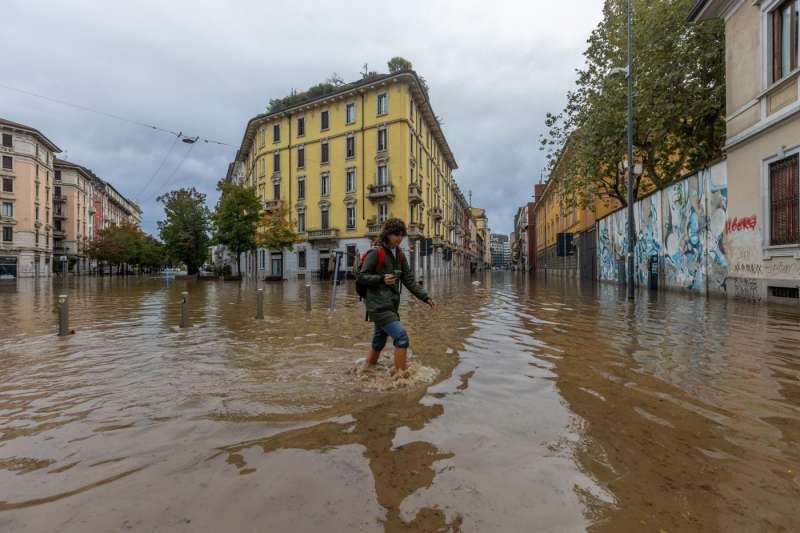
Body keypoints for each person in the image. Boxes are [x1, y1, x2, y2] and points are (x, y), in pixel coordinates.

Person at [358, 218, 436, 371]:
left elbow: (409, 280)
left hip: (391, 305)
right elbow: (361, 276)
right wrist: (381, 278)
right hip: (377, 305)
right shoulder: (376, 252)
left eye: (402, 235)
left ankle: (366, 370)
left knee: (378, 343)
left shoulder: (400, 255)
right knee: (401, 337)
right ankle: (401, 377)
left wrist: (426, 297)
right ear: (387, 234)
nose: (399, 238)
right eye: (396, 234)